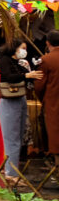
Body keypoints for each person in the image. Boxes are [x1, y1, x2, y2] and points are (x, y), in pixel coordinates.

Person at [0, 40, 42, 181]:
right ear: (14, 48)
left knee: (19, 137)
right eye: (22, 48)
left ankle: (12, 169)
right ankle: (11, 174)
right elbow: (9, 77)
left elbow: (24, 77)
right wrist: (26, 75)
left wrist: (29, 72)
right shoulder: (4, 60)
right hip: (10, 101)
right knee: (12, 139)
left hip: (20, 98)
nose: (24, 51)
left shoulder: (18, 62)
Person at [35, 30, 59, 168]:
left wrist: (44, 99)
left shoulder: (46, 59)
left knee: (55, 135)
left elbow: (39, 85)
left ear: (47, 43)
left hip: (53, 103)